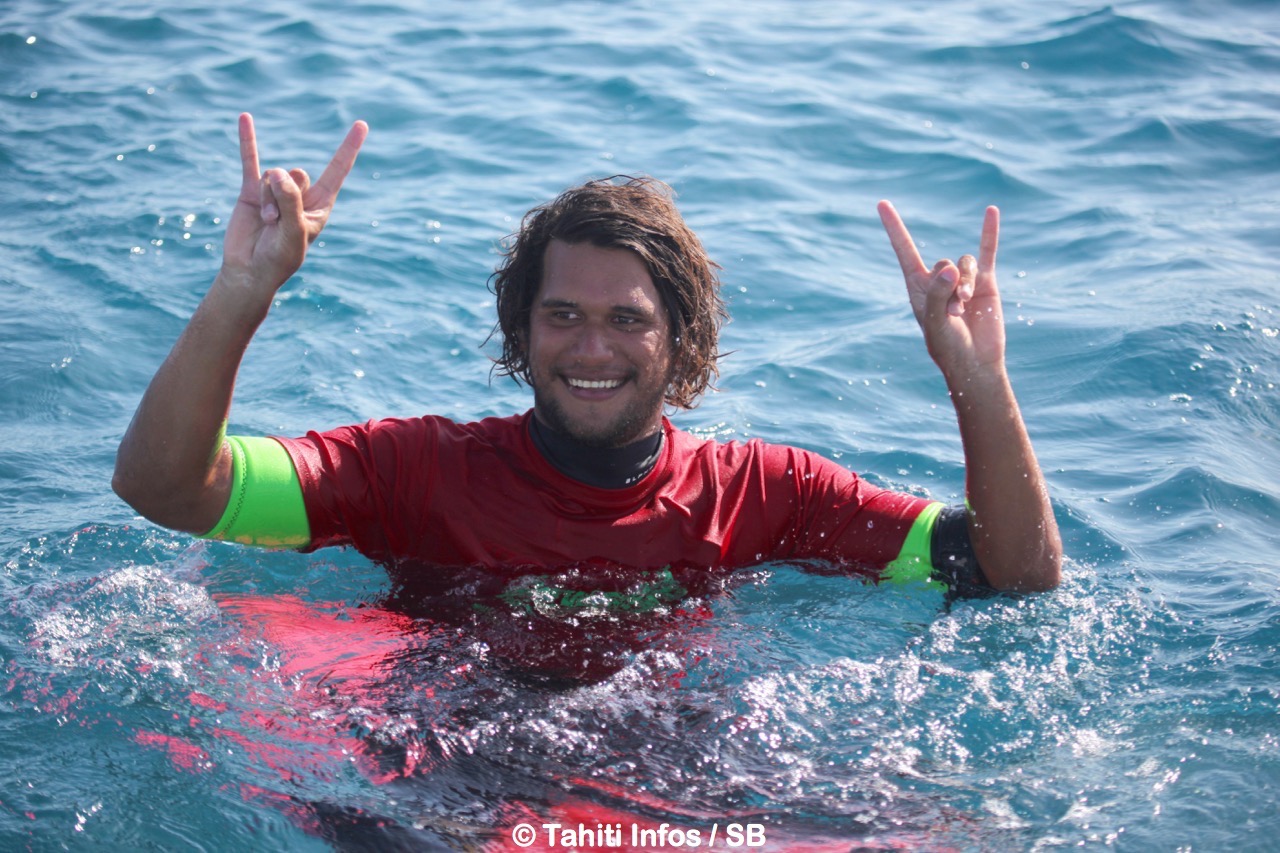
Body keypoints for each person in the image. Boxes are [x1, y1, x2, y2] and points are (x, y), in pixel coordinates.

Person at [112, 113, 1061, 602]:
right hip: (447, 784)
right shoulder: (413, 471)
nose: (592, 346)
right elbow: (168, 489)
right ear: (521, 332)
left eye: (629, 320)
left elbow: (1011, 572)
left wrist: (977, 380)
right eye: (561, 315)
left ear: (681, 339)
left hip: (669, 784)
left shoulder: (765, 494)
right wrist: (244, 291)